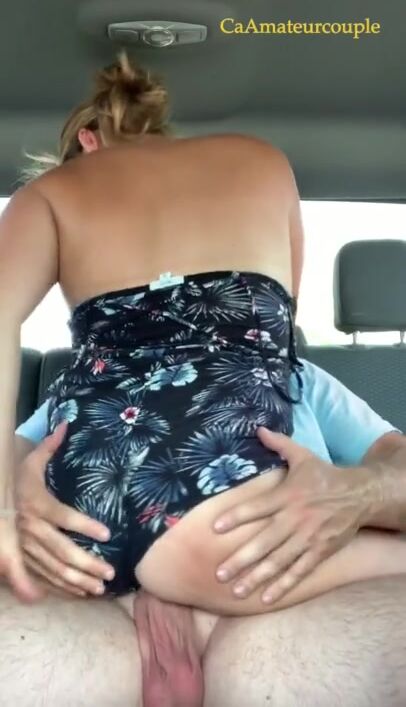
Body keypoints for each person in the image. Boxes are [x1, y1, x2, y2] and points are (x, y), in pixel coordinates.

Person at [0, 50, 405, 705]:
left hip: (88, 521)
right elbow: (274, 337)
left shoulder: (81, 379)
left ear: (88, 145)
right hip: (224, 522)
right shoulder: (260, 163)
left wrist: (356, 494)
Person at [9, 359, 406, 706]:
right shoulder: (81, 382)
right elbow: (11, 462)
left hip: (290, 589)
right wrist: (13, 500)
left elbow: (396, 462)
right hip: (95, 602)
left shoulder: (300, 379)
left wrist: (360, 494)